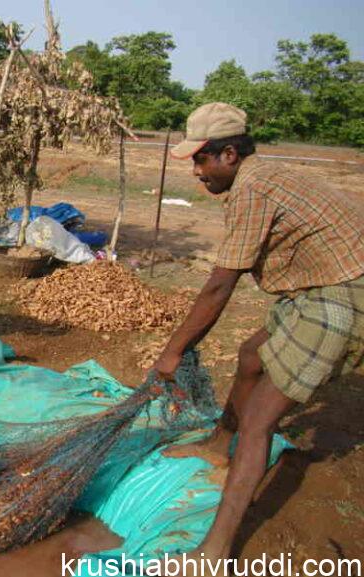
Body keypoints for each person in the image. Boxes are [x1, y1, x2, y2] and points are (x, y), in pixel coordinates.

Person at [152, 102, 364, 562]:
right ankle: (216, 445)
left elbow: (218, 287)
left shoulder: (254, 188)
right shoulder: (255, 176)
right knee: (252, 357)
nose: (197, 171)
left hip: (344, 291)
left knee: (260, 420)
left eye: (200, 159)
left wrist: (173, 352)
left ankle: (215, 550)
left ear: (229, 154)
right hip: (316, 285)